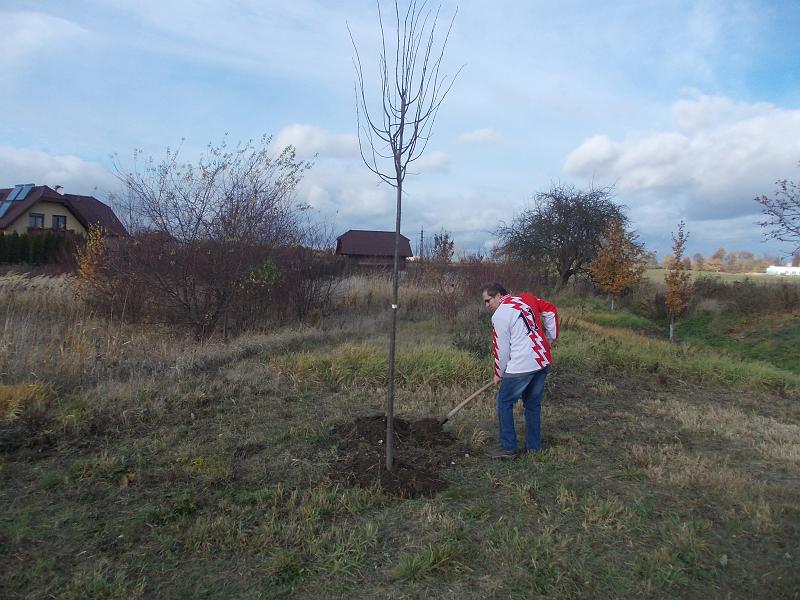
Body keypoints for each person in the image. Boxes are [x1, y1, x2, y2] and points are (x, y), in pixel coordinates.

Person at [480, 282, 558, 459]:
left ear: (499, 296)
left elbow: (501, 349)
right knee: (532, 404)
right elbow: (550, 310)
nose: (486, 306)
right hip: (542, 361)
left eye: (488, 301)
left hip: (522, 365)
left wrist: (498, 373)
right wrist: (552, 337)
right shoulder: (524, 300)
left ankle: (508, 448)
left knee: (504, 402)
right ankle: (534, 448)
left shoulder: (500, 315)